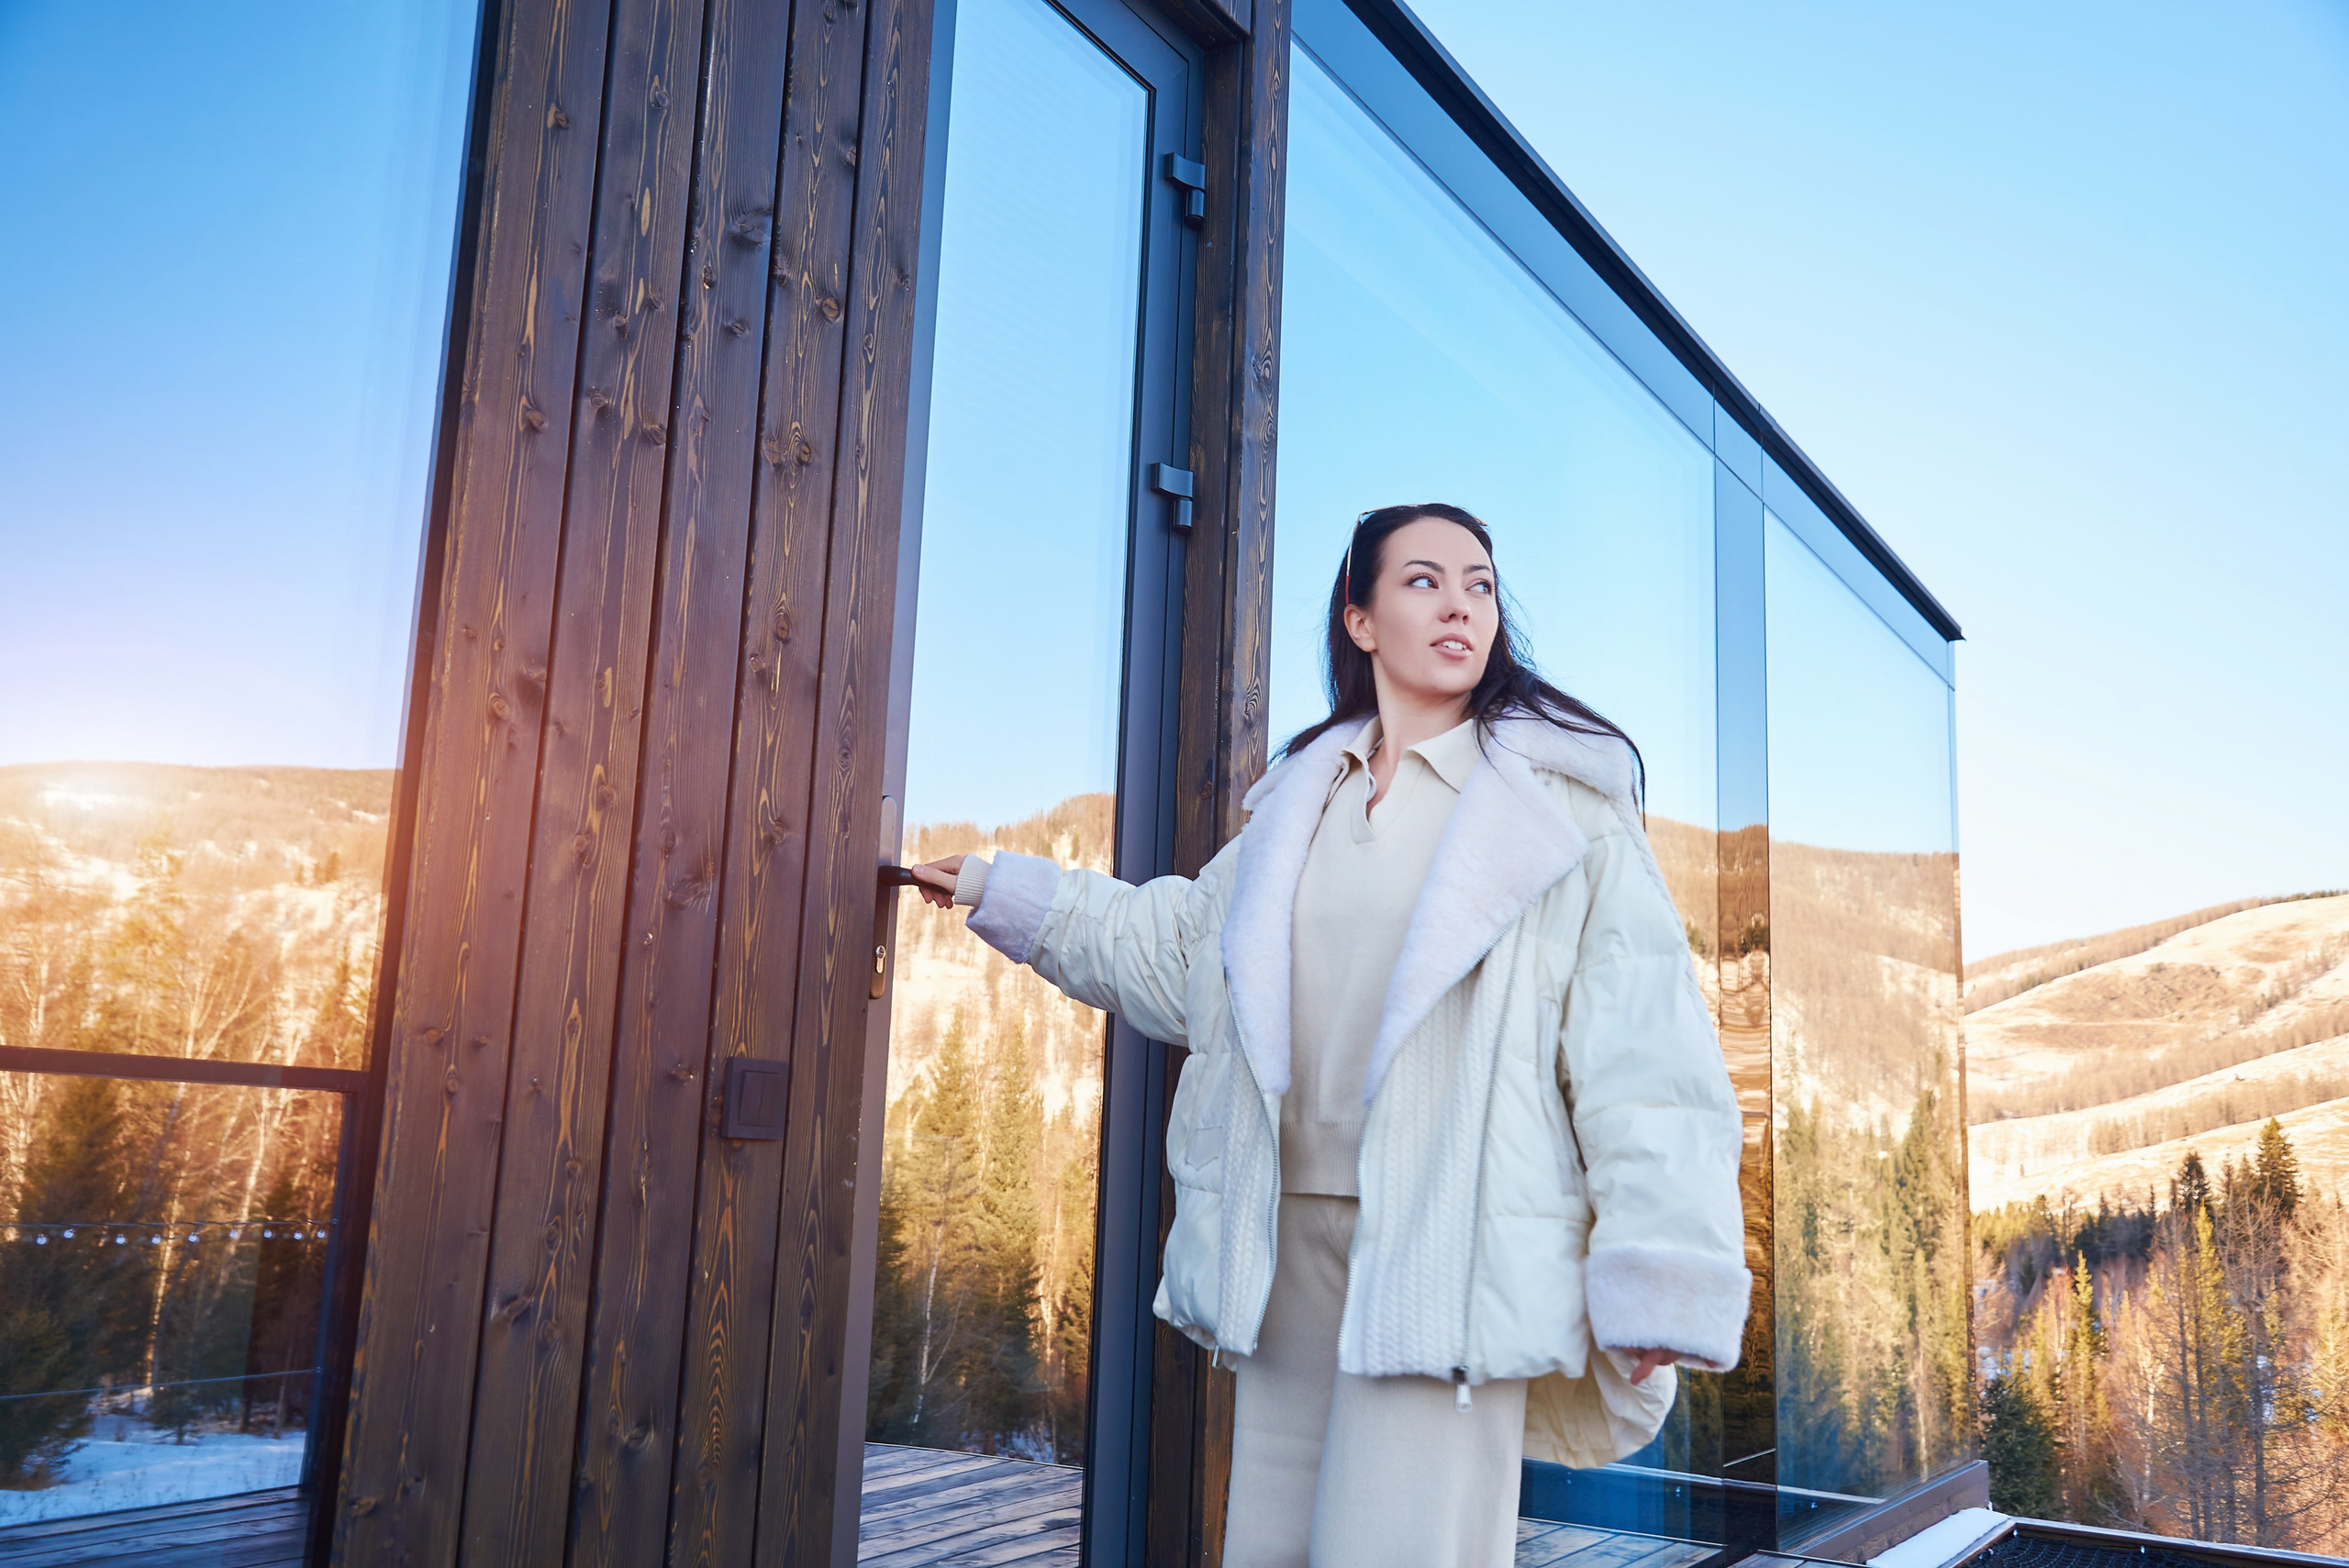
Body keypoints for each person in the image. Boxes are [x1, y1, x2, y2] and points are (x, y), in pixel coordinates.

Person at [907, 503, 1748, 1568]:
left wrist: (1659, 1265)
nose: (1460, 605)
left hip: (1451, 1243)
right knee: (1272, 1542)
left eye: (1480, 585)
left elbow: (1648, 1055)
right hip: (1285, 1233)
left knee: (1400, 1548)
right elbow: (1178, 949)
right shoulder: (1302, 804)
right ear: (1360, 619)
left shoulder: (1560, 813)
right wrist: (998, 888)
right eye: (1424, 580)